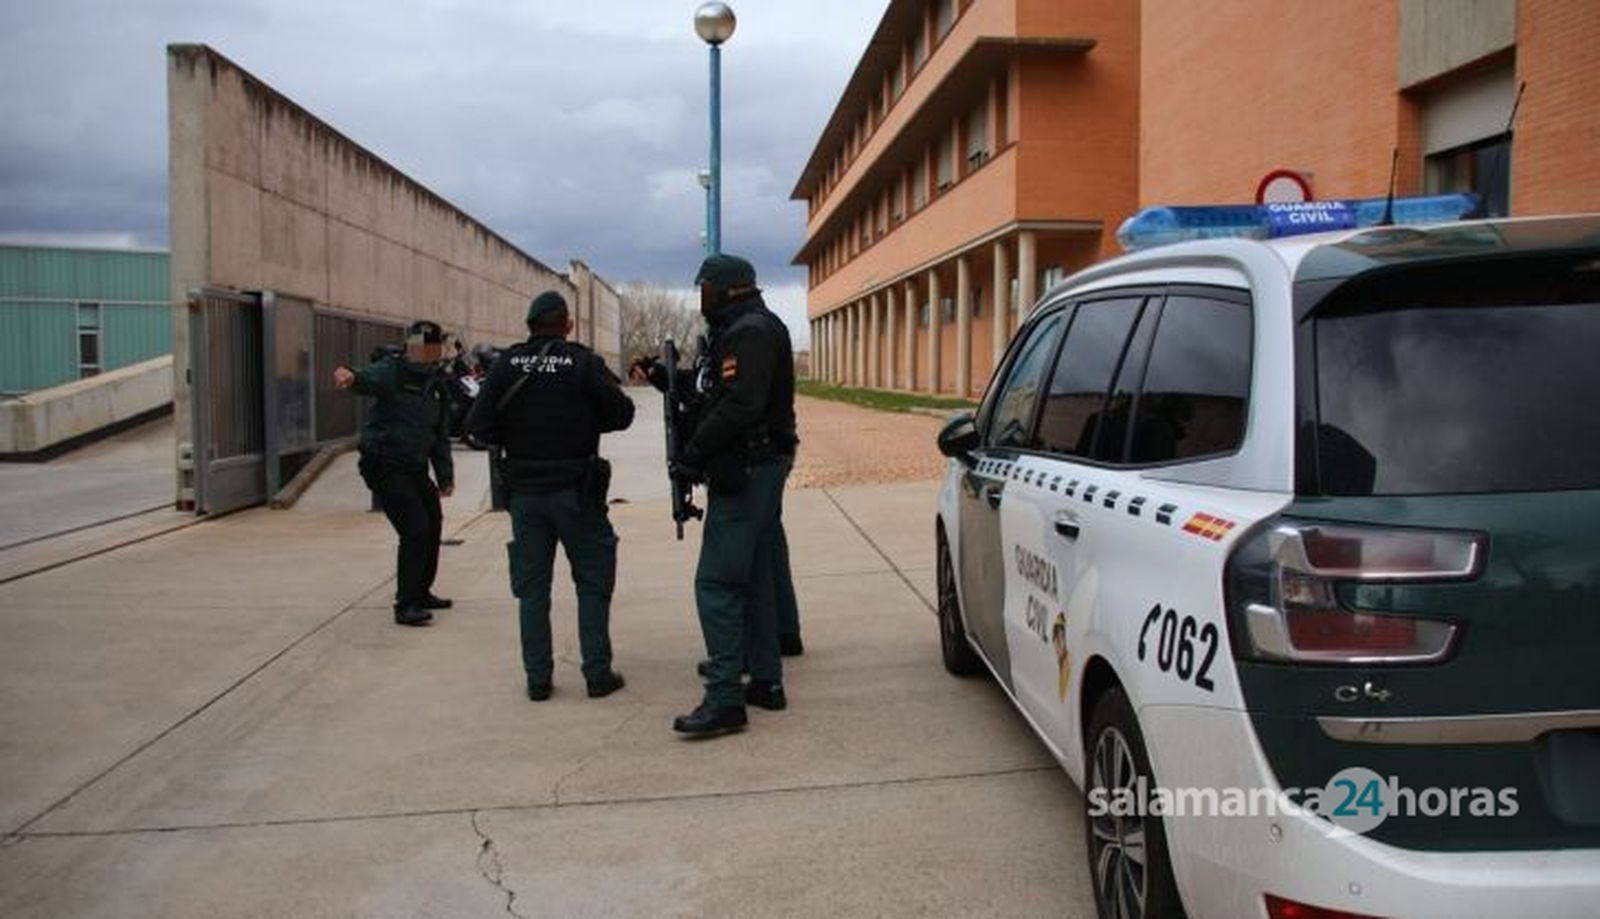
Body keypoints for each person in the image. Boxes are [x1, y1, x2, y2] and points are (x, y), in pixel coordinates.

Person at [636, 253, 799, 737]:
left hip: (747, 466)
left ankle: (726, 697)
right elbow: (718, 392)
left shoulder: (749, 331)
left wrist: (694, 452)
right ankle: (764, 679)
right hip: (755, 463)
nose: (700, 297)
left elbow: (741, 405)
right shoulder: (742, 328)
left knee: (718, 582)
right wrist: (674, 380)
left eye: (704, 288)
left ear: (725, 288)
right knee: (754, 575)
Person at [465, 291, 635, 702]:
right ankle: (597, 673)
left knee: (532, 588)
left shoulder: (507, 364)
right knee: (593, 581)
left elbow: (477, 425)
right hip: (577, 491)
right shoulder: (581, 363)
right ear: (567, 325)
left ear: (529, 325)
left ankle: (537, 679)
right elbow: (623, 413)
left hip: (525, 494)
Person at [334, 320, 456, 627]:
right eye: (420, 344)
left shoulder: (437, 384)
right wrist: (349, 376)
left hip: (414, 466)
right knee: (415, 529)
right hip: (385, 463)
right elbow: (366, 378)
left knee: (433, 522)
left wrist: (445, 476)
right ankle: (406, 604)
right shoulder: (394, 370)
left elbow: (440, 436)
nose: (426, 351)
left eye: (431, 345)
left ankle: (421, 590)